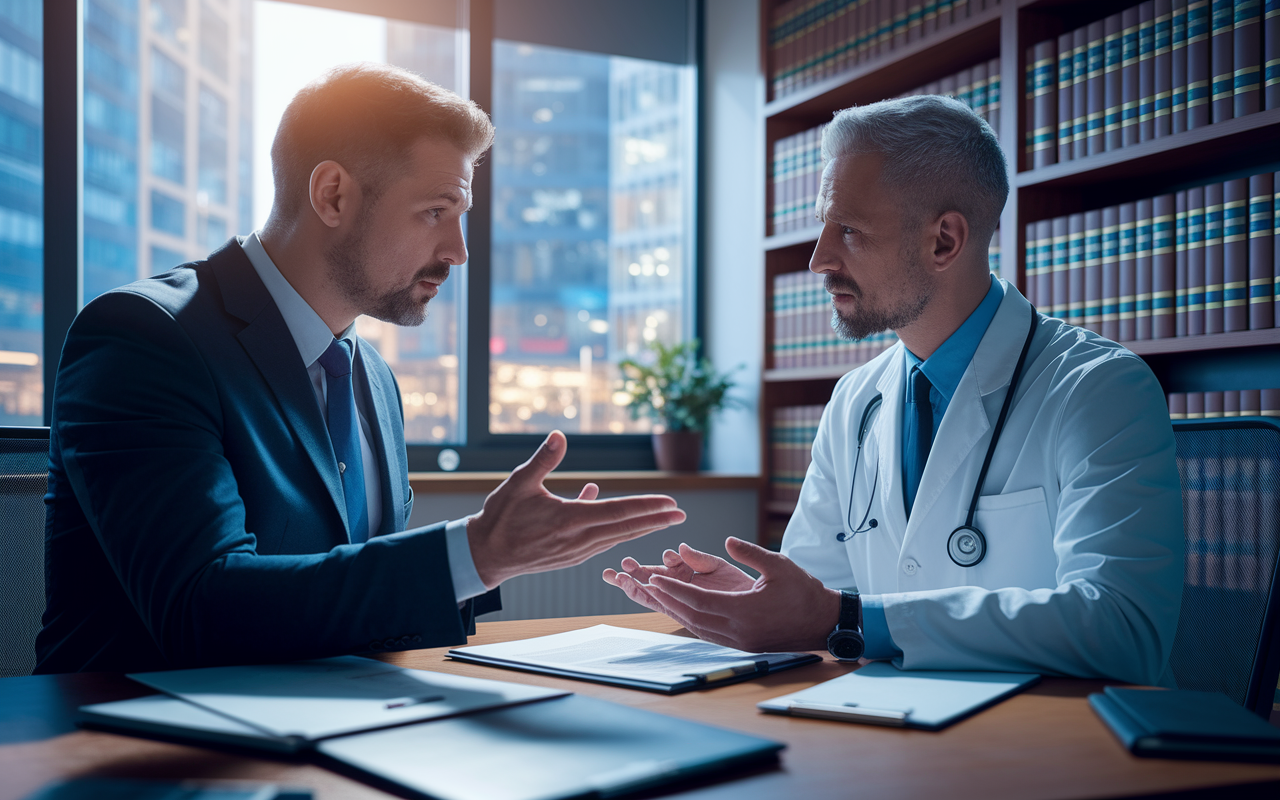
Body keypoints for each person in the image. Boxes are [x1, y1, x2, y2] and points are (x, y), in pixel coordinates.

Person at [36, 63, 685, 674]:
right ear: (333, 194)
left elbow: (351, 606)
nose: (458, 252)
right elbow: (199, 610)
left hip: (326, 734)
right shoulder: (145, 336)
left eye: (461, 218)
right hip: (137, 749)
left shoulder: (372, 378)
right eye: (435, 212)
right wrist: (475, 553)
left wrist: (488, 563)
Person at [604, 95, 1184, 687]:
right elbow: (818, 596)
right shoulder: (856, 400)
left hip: (1041, 752)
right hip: (888, 736)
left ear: (944, 242)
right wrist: (756, 600)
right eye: (823, 226)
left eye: (850, 230)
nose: (818, 259)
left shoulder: (1098, 388)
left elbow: (1124, 630)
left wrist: (845, 618)